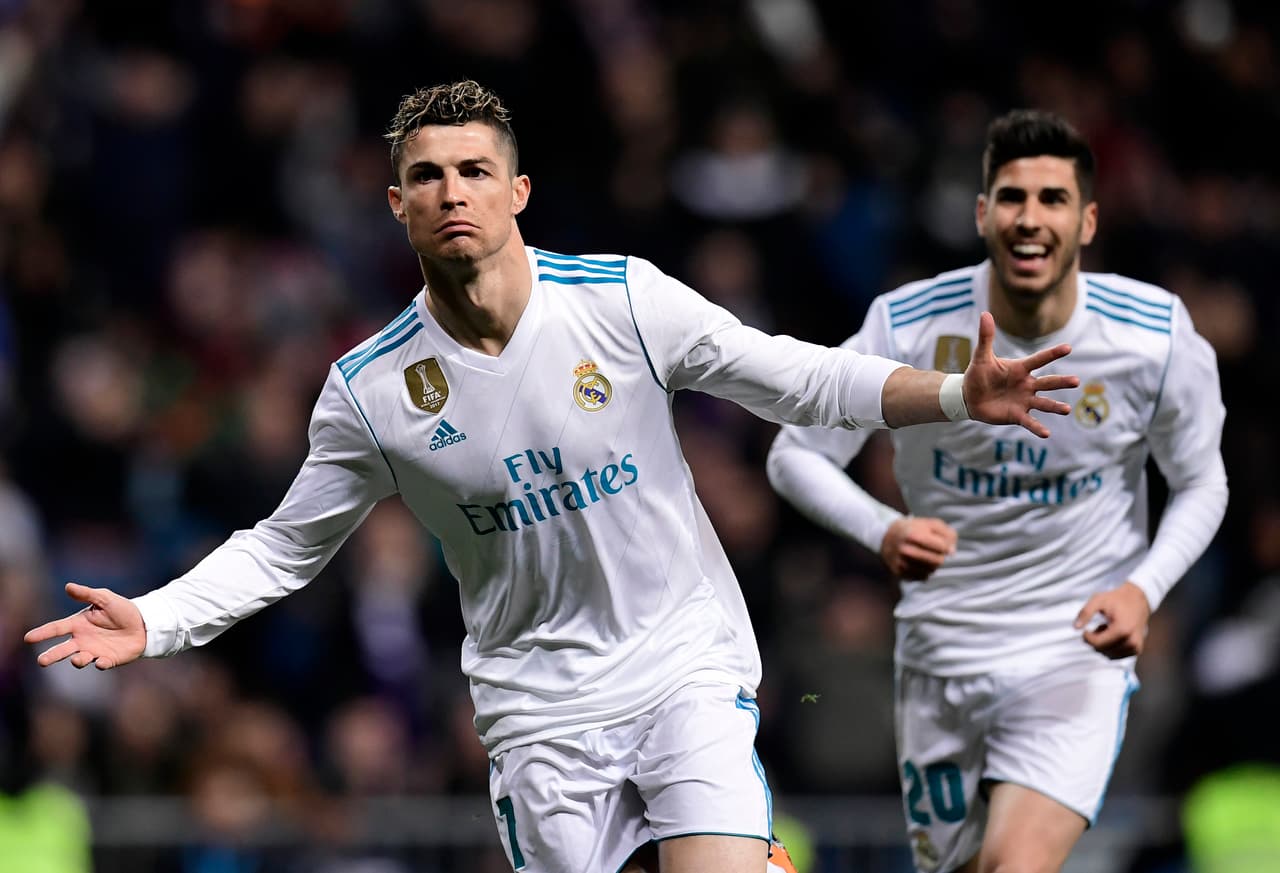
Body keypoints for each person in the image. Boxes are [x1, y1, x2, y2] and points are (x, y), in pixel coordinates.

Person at [25, 82, 1078, 873]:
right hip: (536, 715)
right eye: (427, 176)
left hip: (680, 668)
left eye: (474, 171)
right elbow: (284, 546)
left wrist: (950, 395)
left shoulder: (621, 302)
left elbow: (789, 376)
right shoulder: (370, 389)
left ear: (517, 189)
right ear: (395, 204)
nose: (452, 193)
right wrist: (156, 622)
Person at [766, 108, 1228, 873]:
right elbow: (795, 454)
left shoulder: (1154, 335)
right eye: (1012, 197)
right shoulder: (908, 324)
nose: (1030, 217)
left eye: (1053, 199)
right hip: (941, 650)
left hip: (1070, 648)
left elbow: (1202, 478)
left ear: (1087, 221)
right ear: (983, 213)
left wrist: (1145, 589)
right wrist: (882, 528)